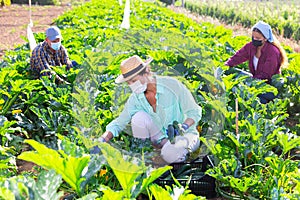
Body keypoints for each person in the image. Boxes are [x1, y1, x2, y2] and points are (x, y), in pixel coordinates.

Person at [91, 55, 202, 164]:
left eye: (134, 81)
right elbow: (119, 123)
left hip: (185, 136)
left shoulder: (172, 85)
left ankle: (170, 158)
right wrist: (102, 140)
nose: (132, 86)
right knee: (138, 118)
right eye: (128, 83)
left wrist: (183, 127)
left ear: (147, 72)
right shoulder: (136, 98)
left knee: (172, 153)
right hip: (160, 141)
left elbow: (194, 112)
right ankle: (149, 154)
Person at [225, 21, 288, 103]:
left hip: (269, 86)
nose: (254, 39)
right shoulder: (251, 46)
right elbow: (238, 56)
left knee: (255, 97)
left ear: (265, 38)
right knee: (235, 74)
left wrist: (249, 82)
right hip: (256, 80)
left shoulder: (272, 52)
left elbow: (266, 75)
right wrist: (226, 65)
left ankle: (267, 102)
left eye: (258, 38)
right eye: (253, 37)